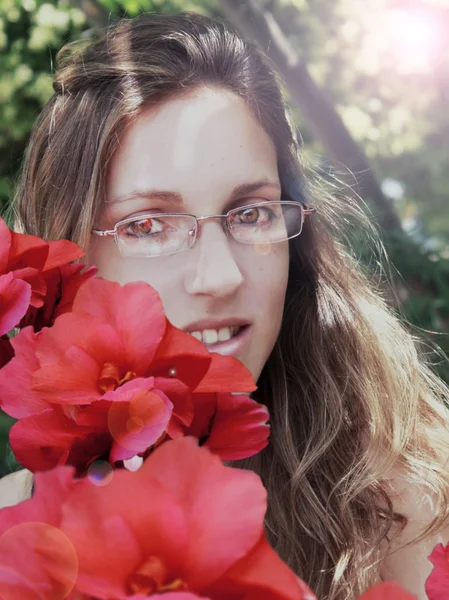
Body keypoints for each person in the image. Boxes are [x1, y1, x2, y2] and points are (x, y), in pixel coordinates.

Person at [1, 11, 449, 600]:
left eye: (251, 213)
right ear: (65, 257)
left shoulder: (417, 500)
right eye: (148, 224)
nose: (221, 275)